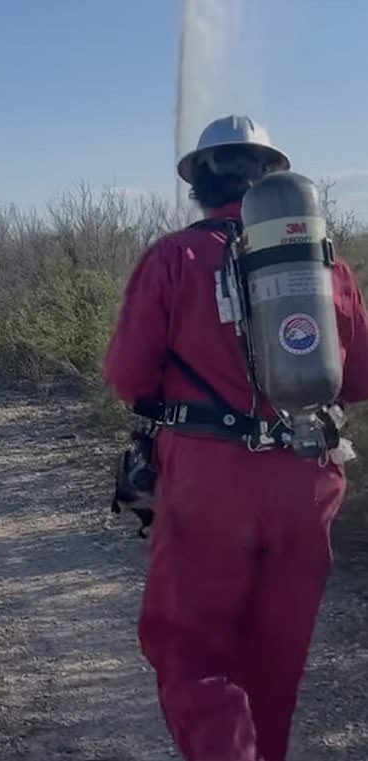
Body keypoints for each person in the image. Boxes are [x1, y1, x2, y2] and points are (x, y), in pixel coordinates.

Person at [103, 115, 368, 761]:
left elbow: (128, 376)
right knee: (275, 656)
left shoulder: (175, 254)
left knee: (191, 650)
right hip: (307, 476)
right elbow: (357, 378)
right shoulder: (325, 264)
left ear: (200, 182)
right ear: (270, 180)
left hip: (207, 477)